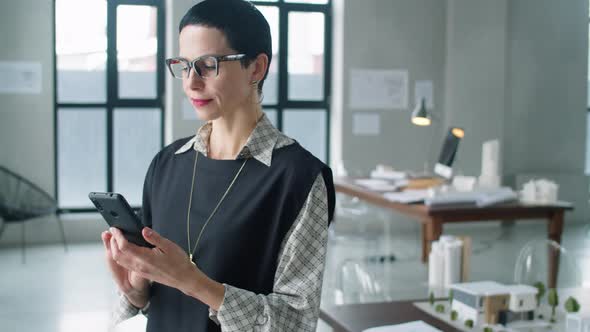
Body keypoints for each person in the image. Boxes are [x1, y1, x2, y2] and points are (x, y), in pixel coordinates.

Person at [101, 0, 335, 331]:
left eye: (208, 65)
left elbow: (295, 322)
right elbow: (157, 298)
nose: (191, 82)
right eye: (184, 65)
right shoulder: (166, 165)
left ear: (256, 68)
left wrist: (195, 283)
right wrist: (135, 291)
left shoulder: (300, 179)